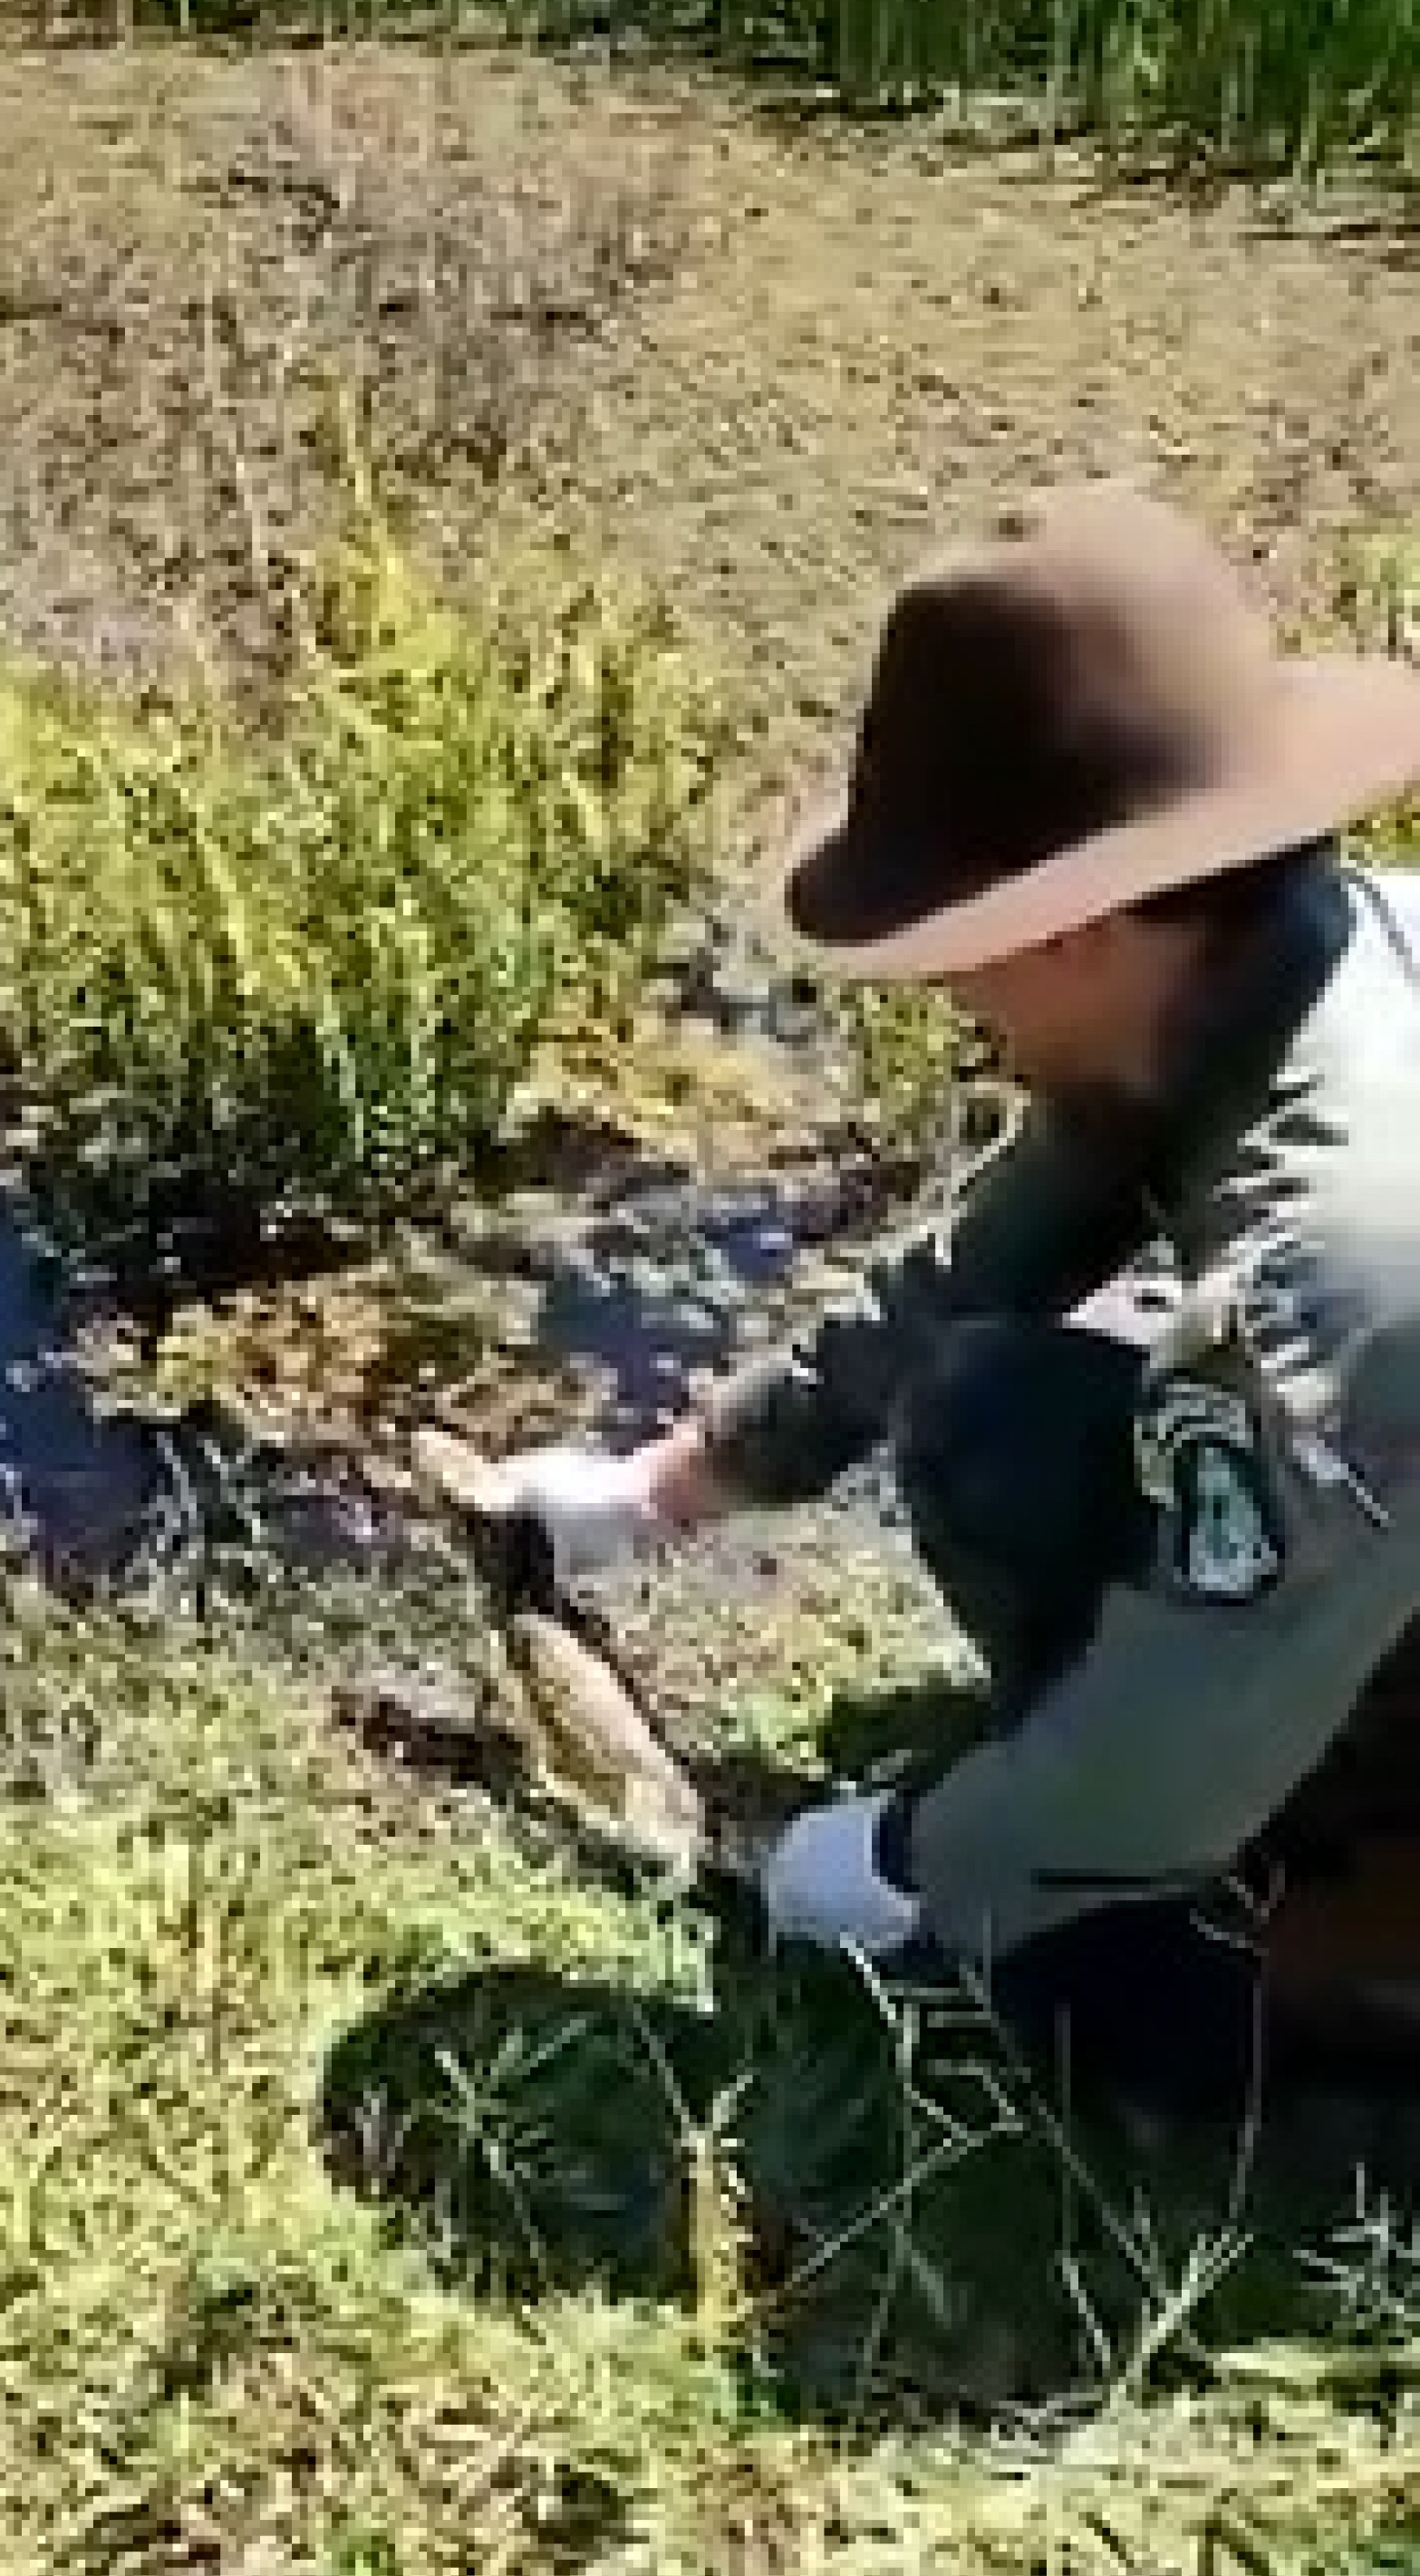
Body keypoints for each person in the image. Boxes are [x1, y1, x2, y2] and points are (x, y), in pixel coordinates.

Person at [443, 479, 1420, 2056]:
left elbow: (1196, 1710)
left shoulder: (1350, 1253)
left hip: (1348, 1512)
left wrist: (920, 1863)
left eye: (952, 940)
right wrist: (666, 1488)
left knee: (1087, 1986)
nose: (946, 990)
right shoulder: (1290, 963)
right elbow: (989, 1256)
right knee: (994, 1413)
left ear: (1078, 926)